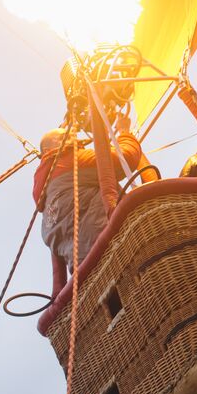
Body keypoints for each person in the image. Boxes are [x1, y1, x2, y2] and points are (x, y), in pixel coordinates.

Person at [34, 115, 145, 282]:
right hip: (119, 252)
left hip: (89, 279)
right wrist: (124, 132)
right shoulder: (73, 160)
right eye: (71, 137)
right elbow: (126, 159)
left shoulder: (46, 210)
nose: (78, 142)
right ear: (58, 143)